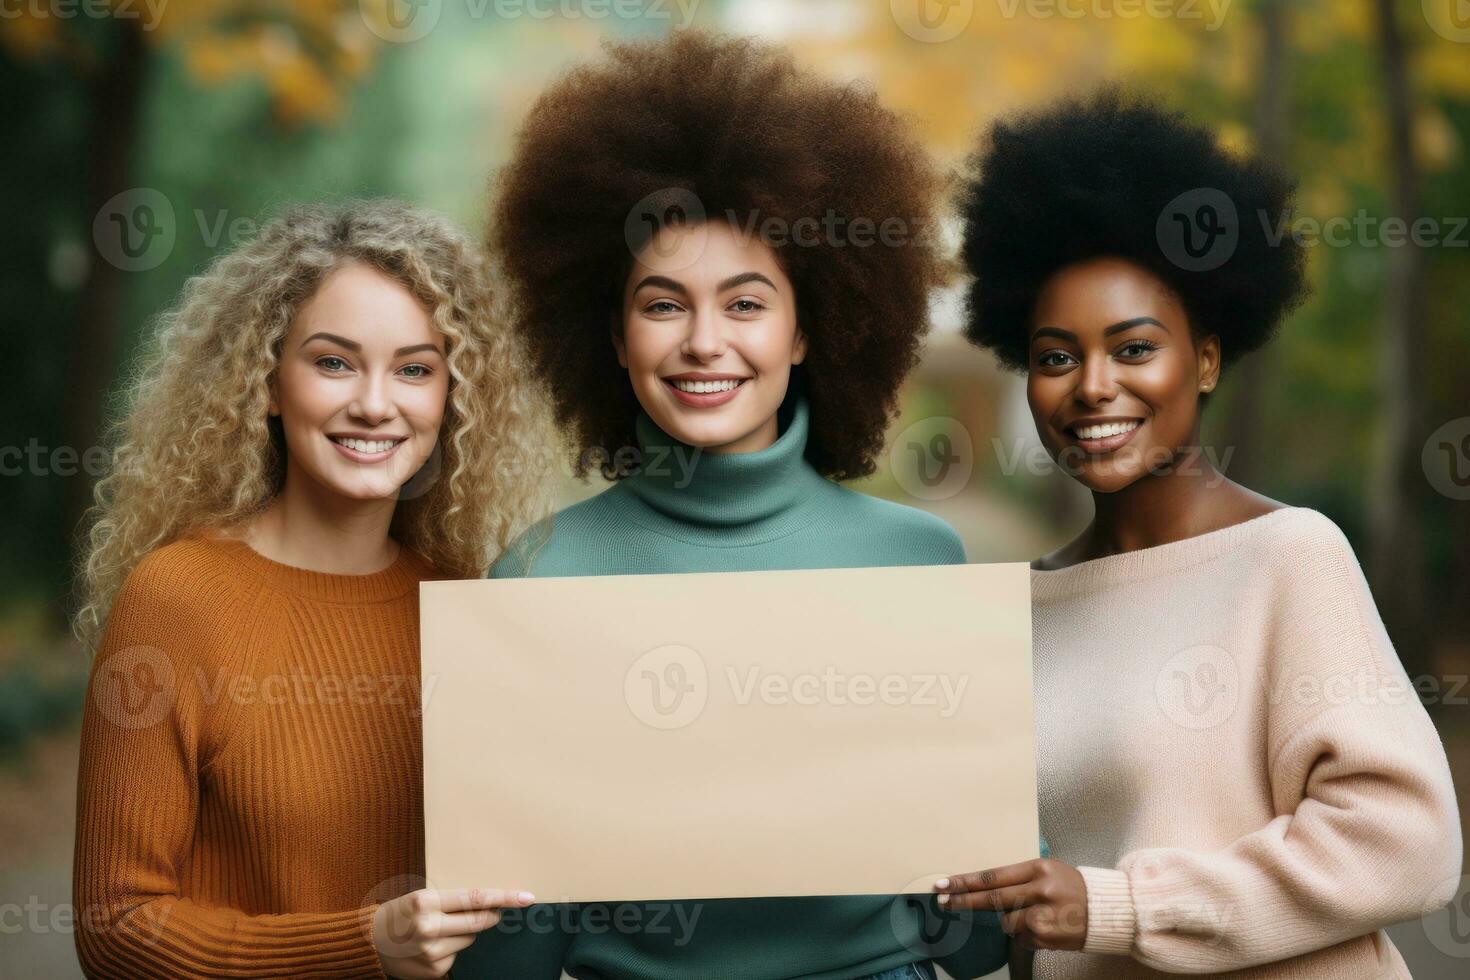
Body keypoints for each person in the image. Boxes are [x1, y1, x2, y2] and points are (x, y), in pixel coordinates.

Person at [457, 31, 1013, 980]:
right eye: (664, 305)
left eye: (747, 304)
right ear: (614, 336)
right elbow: (500, 970)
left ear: (809, 331)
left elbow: (974, 947)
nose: (704, 342)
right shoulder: (541, 576)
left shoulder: (915, 564)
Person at [936, 89, 1462, 978]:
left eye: (1135, 348)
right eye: (1057, 357)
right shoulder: (1019, 605)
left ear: (1207, 359)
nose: (1093, 386)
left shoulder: (1287, 556)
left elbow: (1408, 843)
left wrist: (1123, 907)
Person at [71, 200, 552, 979]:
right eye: (333, 362)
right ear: (265, 384)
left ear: (450, 399)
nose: (374, 402)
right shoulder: (177, 600)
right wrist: (365, 945)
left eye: (415, 369)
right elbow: (115, 927)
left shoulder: (466, 606)